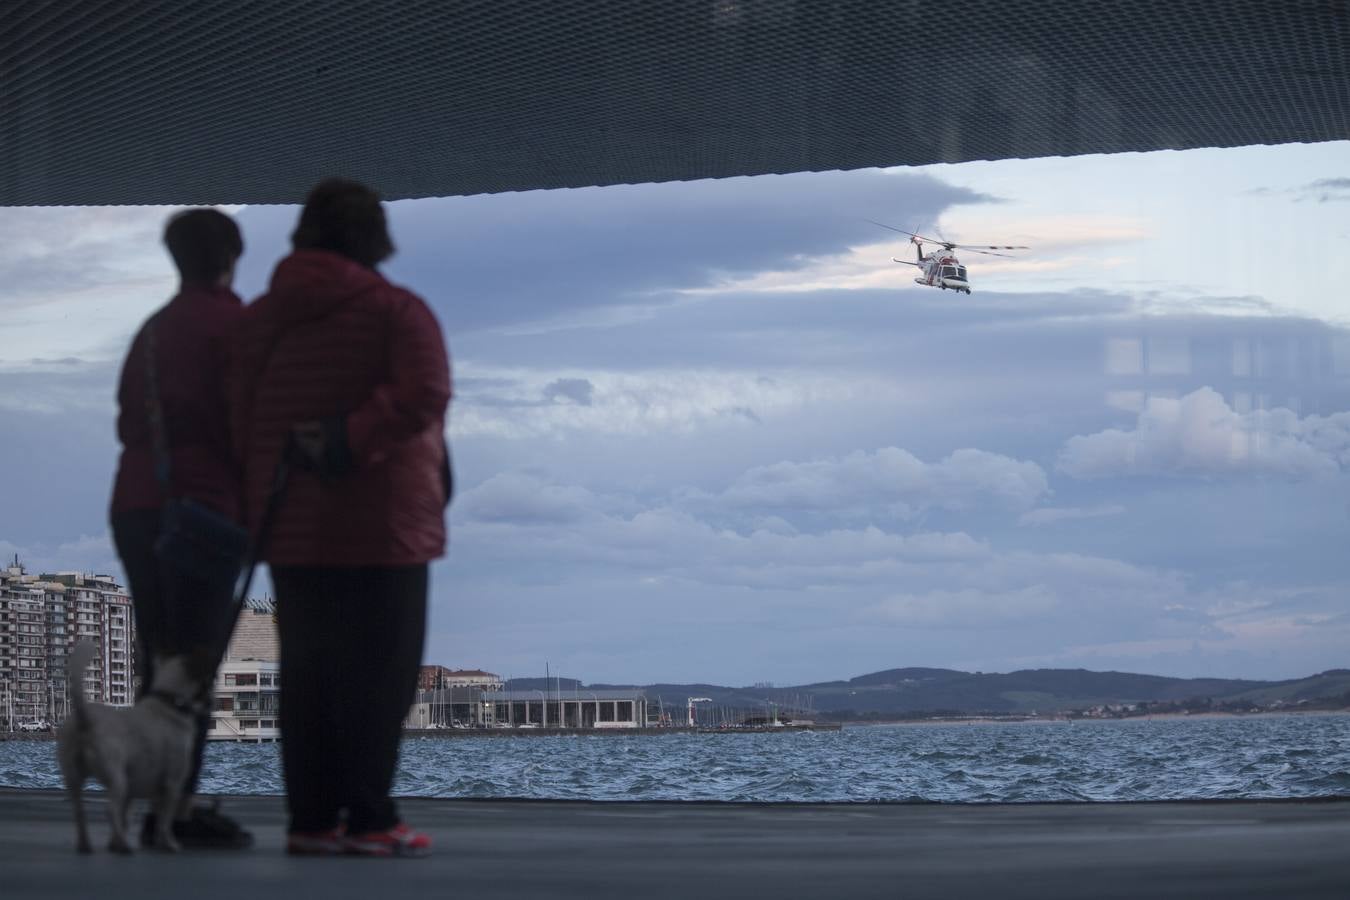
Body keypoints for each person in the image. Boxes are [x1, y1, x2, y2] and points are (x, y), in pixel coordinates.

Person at [231, 178, 451, 857]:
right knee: (380, 677)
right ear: (374, 237)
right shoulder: (397, 311)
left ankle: (311, 820)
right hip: (386, 522)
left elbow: (235, 412)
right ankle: (370, 817)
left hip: (291, 522)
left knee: (309, 675)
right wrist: (349, 439)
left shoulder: (261, 320)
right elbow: (426, 394)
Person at [109, 208, 253, 849]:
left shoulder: (153, 329)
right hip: (204, 507)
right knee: (193, 663)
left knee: (157, 660)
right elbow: (250, 423)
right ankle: (177, 809)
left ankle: (150, 805)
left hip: (136, 505)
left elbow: (125, 422)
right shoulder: (235, 326)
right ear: (232, 255)